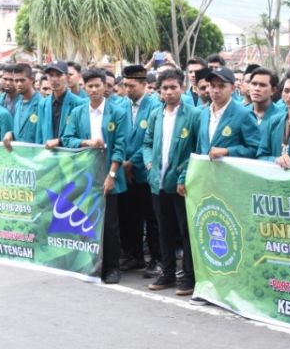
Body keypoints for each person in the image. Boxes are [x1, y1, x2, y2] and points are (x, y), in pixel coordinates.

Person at [62, 69, 130, 284]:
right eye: (89, 86)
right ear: (84, 87)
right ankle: (90, 264)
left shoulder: (117, 112)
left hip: (109, 173)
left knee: (109, 224)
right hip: (85, 174)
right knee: (86, 220)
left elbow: (120, 146)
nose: (93, 90)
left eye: (97, 85)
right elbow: (67, 138)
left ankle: (112, 267)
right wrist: (87, 142)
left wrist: (112, 174)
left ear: (105, 86)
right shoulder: (78, 112)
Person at [140, 68, 201, 295]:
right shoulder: (156, 114)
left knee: (185, 231)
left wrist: (185, 174)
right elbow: (146, 143)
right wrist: (148, 165)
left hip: (182, 184)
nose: (169, 92)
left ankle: (188, 275)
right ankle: (166, 272)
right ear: (159, 91)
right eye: (164, 88)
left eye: (173, 87)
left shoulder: (193, 115)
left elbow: (197, 149)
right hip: (158, 181)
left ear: (182, 88)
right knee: (163, 230)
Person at [118, 65, 162, 276]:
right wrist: (122, 162)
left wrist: (131, 162)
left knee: (152, 219)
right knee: (129, 217)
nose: (127, 89)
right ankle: (133, 256)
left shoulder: (155, 106)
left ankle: (157, 259)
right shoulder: (120, 105)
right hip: (124, 172)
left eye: (132, 86)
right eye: (125, 85)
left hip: (144, 172)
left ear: (145, 85)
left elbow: (150, 141)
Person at [195, 66, 261, 159]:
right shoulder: (204, 114)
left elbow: (255, 149)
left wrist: (228, 151)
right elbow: (200, 148)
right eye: (212, 85)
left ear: (233, 88)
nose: (215, 90)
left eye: (221, 86)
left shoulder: (243, 114)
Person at [39, 61, 86, 146]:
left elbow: (81, 135)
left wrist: (60, 141)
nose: (54, 79)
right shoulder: (43, 104)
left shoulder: (79, 103)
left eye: (58, 75)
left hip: (69, 155)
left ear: (67, 77)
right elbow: (39, 135)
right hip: (47, 154)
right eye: (51, 75)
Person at [4, 63, 43, 146]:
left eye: (22, 80)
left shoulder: (42, 104)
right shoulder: (18, 104)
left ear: (32, 79)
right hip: (18, 155)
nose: (19, 84)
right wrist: (10, 133)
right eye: (16, 81)